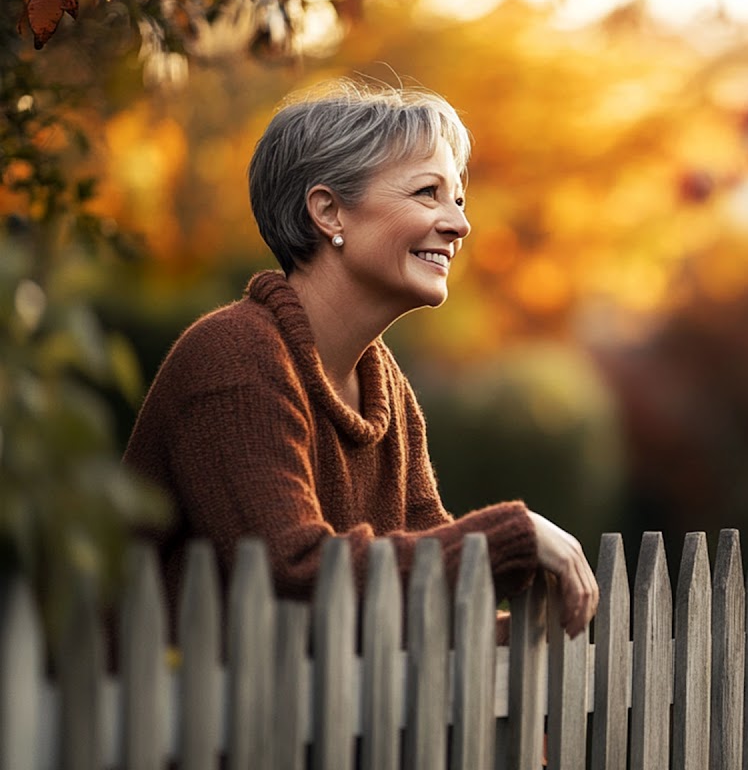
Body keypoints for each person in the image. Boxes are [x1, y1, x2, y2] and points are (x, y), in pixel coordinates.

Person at [124, 79, 598, 638]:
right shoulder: (235, 360)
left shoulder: (382, 383)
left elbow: (423, 588)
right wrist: (510, 537)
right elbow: (294, 574)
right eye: (427, 193)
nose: (459, 224)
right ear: (329, 212)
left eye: (459, 199)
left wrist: (512, 637)